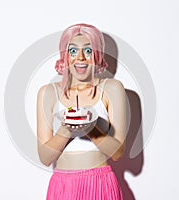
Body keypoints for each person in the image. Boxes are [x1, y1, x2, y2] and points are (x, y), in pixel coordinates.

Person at [37, 23, 128, 200]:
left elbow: (117, 153)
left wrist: (90, 128)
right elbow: (45, 157)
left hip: (100, 184)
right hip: (63, 188)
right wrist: (67, 129)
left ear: (97, 55)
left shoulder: (112, 89)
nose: (80, 58)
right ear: (65, 56)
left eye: (88, 51)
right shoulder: (47, 93)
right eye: (73, 51)